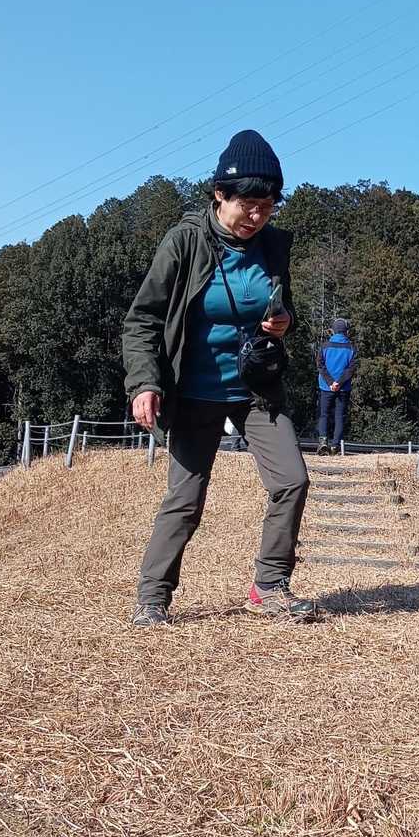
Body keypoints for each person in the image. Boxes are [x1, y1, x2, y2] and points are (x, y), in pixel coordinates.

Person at [122, 129, 314, 627]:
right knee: (185, 499)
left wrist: (283, 321)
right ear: (219, 195)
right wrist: (144, 384)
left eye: (267, 207)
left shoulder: (272, 246)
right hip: (192, 391)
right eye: (248, 205)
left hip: (255, 390)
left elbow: (280, 306)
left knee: (292, 480)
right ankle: (153, 598)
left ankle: (269, 586)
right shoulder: (184, 242)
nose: (257, 217)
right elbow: (142, 320)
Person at [316, 319, 358, 455]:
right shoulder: (351, 348)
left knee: (324, 415)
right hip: (343, 388)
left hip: (326, 387)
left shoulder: (324, 346)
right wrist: (339, 383)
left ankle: (323, 442)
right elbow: (351, 369)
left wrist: (330, 382)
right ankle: (335, 447)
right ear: (346, 331)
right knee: (339, 416)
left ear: (333, 331)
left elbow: (320, 365)